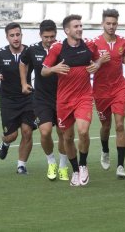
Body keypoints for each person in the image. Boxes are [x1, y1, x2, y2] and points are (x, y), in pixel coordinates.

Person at [41, 14, 101, 187]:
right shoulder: (57, 48)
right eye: (76, 26)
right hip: (64, 100)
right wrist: (54, 68)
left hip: (84, 96)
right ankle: (75, 170)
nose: (80, 29)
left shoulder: (89, 44)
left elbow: (97, 59)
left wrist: (96, 65)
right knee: (67, 138)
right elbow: (44, 71)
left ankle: (83, 165)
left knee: (83, 131)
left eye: (81, 26)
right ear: (67, 30)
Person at [19, 20, 69, 181]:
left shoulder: (63, 48)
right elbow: (22, 63)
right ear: (40, 35)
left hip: (62, 97)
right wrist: (24, 82)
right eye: (46, 36)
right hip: (41, 98)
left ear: (57, 34)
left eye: (52, 36)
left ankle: (62, 165)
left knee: (63, 133)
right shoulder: (32, 49)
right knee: (45, 131)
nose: (49, 40)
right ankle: (51, 161)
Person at [0, 22, 36, 174]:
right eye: (12, 35)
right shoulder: (0, 53)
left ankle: (21, 165)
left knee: (27, 131)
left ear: (22, 35)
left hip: (27, 98)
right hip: (8, 100)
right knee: (12, 135)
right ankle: (5, 143)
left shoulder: (30, 51)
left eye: (18, 34)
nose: (16, 38)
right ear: (7, 37)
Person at [92, 9, 125, 179]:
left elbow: (122, 58)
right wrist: (99, 62)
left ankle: (121, 165)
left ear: (117, 24)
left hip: (119, 88)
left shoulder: (124, 42)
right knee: (105, 126)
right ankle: (105, 150)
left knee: (119, 125)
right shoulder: (93, 44)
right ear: (102, 24)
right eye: (108, 23)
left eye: (114, 23)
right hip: (100, 91)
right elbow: (89, 68)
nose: (111, 26)